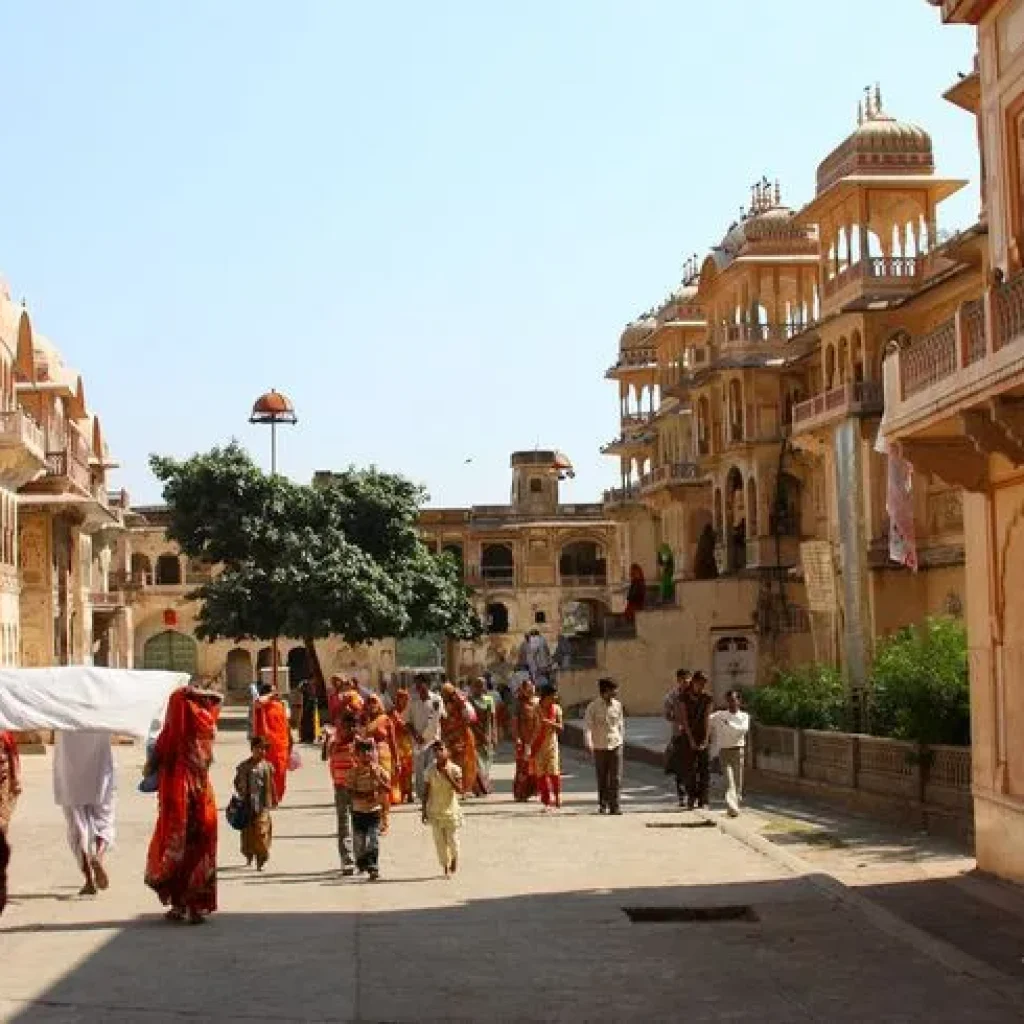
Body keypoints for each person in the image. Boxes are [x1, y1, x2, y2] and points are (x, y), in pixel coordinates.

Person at [144, 685, 222, 924]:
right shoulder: (206, 726)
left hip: (179, 796)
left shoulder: (172, 734)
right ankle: (195, 905)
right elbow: (217, 700)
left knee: (177, 847)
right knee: (199, 847)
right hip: (201, 796)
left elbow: (152, 764)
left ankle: (180, 904)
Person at [53, 731, 116, 896]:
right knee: (104, 818)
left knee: (77, 826)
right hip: (99, 765)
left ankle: (89, 880)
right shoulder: (102, 706)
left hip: (69, 766)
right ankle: (99, 856)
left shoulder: (63, 706)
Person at [348, 738, 390, 881]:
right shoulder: (353, 772)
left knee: (373, 840)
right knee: (359, 841)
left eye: (369, 751)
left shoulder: (379, 770)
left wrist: (377, 778)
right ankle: (361, 861)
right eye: (362, 752)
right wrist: (365, 795)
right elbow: (351, 792)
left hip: (374, 812)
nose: (366, 755)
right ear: (357, 755)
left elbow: (387, 788)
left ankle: (373, 866)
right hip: (358, 811)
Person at [233, 736, 277, 870]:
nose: (262, 751)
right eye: (259, 748)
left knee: (261, 831)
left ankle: (262, 857)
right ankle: (249, 855)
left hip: (262, 805)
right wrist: (241, 792)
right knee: (247, 833)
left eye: (264, 749)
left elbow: (272, 784)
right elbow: (236, 782)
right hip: (247, 805)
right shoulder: (243, 767)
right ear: (252, 749)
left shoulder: (268, 767)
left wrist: (274, 798)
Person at [422, 741, 464, 878]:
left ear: (448, 752)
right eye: (435, 751)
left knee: (452, 840)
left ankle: (455, 858)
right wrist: (424, 810)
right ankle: (445, 865)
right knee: (439, 842)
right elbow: (426, 792)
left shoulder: (455, 769)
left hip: (450, 811)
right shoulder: (429, 770)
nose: (438, 753)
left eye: (441, 749)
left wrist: (448, 776)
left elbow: (460, 790)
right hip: (435, 811)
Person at [584, 678, 625, 815]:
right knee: (602, 776)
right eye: (613, 689)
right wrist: (589, 742)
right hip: (600, 746)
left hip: (616, 744)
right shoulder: (593, 707)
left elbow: (620, 724)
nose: (616, 692)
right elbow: (588, 726)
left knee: (616, 777)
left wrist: (621, 739)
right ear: (605, 690)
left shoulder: (618, 705)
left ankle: (615, 806)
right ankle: (603, 804)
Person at [710, 690, 751, 817]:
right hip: (724, 751)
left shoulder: (744, 716)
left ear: (739, 701)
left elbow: (742, 730)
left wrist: (728, 724)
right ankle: (732, 807)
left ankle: (734, 805)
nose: (731, 703)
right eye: (729, 700)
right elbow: (706, 720)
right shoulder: (720, 715)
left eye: (734, 700)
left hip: (738, 751)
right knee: (729, 780)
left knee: (738, 782)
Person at [362, 694, 399, 834]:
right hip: (368, 758)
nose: (372, 705)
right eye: (369, 703)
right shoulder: (364, 719)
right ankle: (372, 821)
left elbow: (393, 742)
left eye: (374, 702)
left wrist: (398, 762)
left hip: (384, 758)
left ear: (379, 704)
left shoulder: (385, 720)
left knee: (383, 790)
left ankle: (385, 821)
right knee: (370, 790)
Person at [328, 713, 359, 875]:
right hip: (340, 788)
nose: (350, 730)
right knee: (344, 825)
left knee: (359, 824)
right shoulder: (335, 743)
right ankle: (347, 860)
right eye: (347, 727)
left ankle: (361, 858)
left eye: (353, 726)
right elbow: (326, 756)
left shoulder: (361, 744)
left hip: (358, 788)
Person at [252, 683, 292, 804]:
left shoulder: (280, 705)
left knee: (280, 772)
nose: (277, 694)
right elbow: (258, 701)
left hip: (282, 744)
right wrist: (270, 695)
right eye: (273, 692)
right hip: (266, 745)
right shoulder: (261, 706)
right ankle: (268, 798)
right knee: (266, 772)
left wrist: (291, 740)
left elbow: (286, 724)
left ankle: (276, 797)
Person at [405, 680, 445, 799]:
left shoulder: (436, 699)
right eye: (417, 687)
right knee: (419, 769)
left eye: (421, 687)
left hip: (433, 740)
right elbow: (407, 721)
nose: (419, 690)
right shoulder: (412, 701)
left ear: (427, 685)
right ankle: (422, 796)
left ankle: (433, 794)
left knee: (433, 767)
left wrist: (437, 735)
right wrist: (415, 735)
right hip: (418, 742)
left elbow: (441, 717)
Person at [680, 671, 713, 810]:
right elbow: (684, 721)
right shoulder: (684, 698)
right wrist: (691, 740)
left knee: (704, 769)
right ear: (693, 682)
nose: (701, 686)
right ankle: (691, 798)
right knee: (690, 769)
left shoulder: (707, 698)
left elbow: (707, 719)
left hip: (702, 734)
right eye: (699, 683)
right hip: (688, 736)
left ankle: (703, 799)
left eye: (704, 684)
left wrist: (705, 739)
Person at [440, 683, 478, 797]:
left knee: (465, 763)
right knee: (451, 762)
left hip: (463, 737)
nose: (445, 695)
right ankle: (453, 787)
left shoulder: (461, 703)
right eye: (443, 693)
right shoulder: (442, 703)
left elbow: (468, 719)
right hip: (449, 737)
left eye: (447, 693)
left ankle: (465, 788)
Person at [531, 683, 564, 811]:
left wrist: (549, 722)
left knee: (554, 771)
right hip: (538, 745)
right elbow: (531, 728)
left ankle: (557, 795)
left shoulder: (556, 709)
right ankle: (546, 801)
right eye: (552, 696)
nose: (554, 698)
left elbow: (561, 727)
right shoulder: (536, 709)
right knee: (541, 773)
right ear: (545, 697)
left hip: (551, 744)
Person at [663, 669, 692, 807]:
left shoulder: (696, 694)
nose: (686, 683)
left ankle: (693, 794)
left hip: (695, 735)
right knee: (680, 767)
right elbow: (667, 714)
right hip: (679, 735)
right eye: (683, 681)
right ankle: (682, 796)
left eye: (688, 680)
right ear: (678, 680)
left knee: (694, 766)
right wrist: (679, 719)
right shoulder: (671, 696)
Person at [0, 730, 21, 916]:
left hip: (3, 786)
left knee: (2, 826)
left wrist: (16, 779)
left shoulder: (5, 734)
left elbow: (13, 755)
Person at [468, 677, 498, 796]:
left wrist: (494, 735)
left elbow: (493, 719)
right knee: (475, 762)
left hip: (486, 734)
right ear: (472, 687)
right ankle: (478, 788)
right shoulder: (468, 701)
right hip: (473, 735)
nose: (479, 688)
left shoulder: (489, 700)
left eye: (482, 685)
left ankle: (483, 785)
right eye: (477, 685)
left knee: (486, 762)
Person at [513, 679, 541, 801]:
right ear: (523, 690)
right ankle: (521, 793)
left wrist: (535, 739)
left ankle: (531, 791)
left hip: (534, 740)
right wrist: (518, 738)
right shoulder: (518, 705)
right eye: (528, 688)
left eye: (532, 688)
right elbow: (514, 723)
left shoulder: (536, 704)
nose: (531, 690)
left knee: (533, 767)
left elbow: (539, 723)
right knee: (522, 767)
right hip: (523, 741)